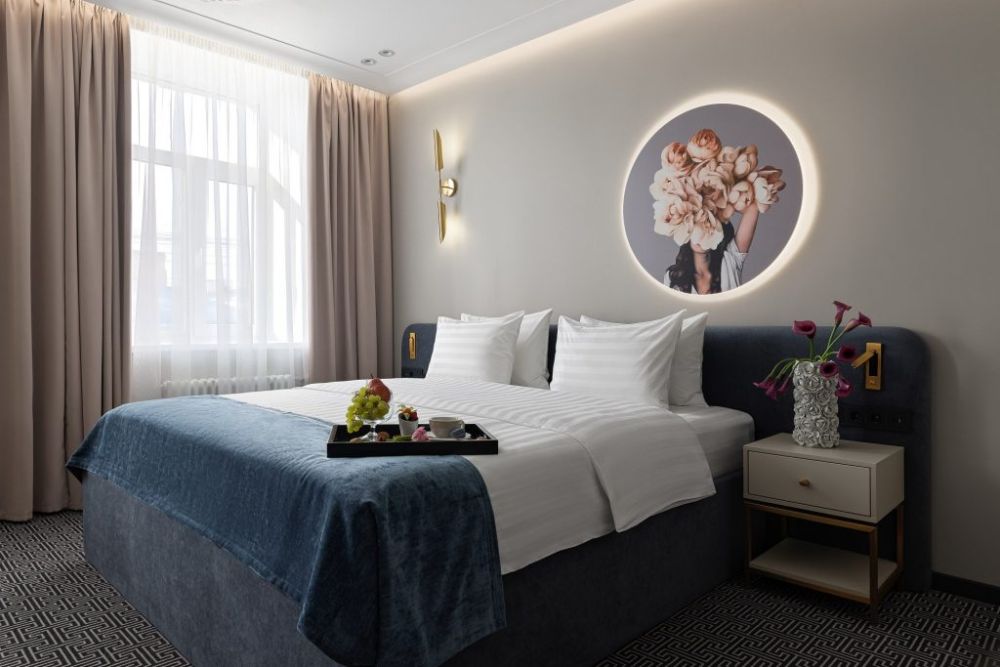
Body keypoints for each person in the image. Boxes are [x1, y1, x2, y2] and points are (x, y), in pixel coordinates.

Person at [666, 202, 760, 294]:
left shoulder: (731, 258)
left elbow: (753, 207)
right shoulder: (672, 276)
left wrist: (720, 203)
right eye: (696, 226)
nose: (700, 235)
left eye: (707, 226)